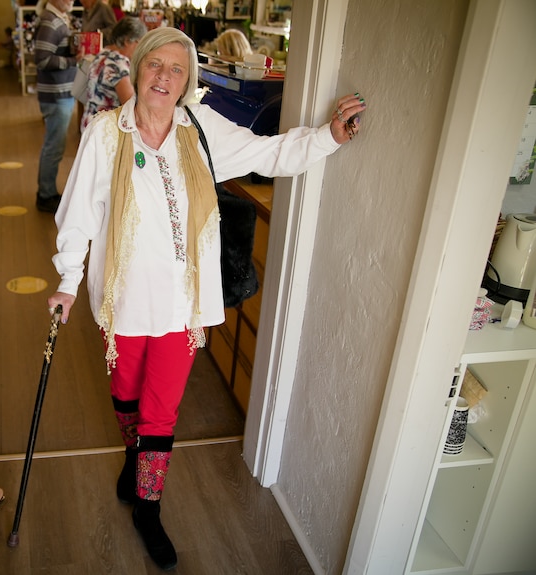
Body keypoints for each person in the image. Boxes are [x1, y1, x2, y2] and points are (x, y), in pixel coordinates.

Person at [46, 27, 364, 571]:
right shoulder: (104, 134)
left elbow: (270, 153)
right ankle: (132, 456)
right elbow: (76, 217)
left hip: (180, 306)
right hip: (122, 300)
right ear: (138, 69)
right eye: (155, 66)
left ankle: (148, 507)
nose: (164, 77)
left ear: (187, 79)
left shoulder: (201, 129)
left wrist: (328, 137)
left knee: (161, 409)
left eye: (176, 69)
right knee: (125, 393)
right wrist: (66, 283)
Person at [34, 0, 76, 214]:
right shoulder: (50, 21)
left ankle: (47, 191)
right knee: (54, 146)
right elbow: (41, 60)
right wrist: (73, 60)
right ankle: (46, 194)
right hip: (56, 93)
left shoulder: (56, 19)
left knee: (55, 146)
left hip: (61, 92)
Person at [80, 16, 146, 132]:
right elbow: (130, 104)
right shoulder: (118, 64)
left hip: (90, 124)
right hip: (105, 130)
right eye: (139, 43)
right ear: (127, 41)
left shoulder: (102, 54)